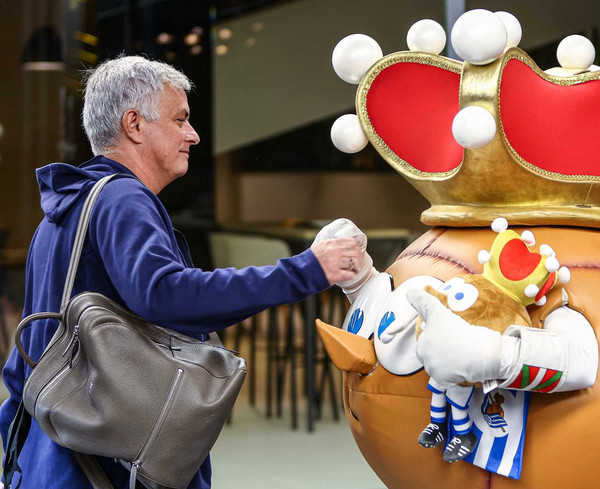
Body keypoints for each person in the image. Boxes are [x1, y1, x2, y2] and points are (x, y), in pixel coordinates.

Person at [0, 55, 373, 489]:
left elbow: (25, 354)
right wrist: (308, 269)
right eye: (180, 120)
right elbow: (167, 296)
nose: (193, 135)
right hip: (115, 462)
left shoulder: (61, 212)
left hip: (50, 460)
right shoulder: (123, 200)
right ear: (134, 125)